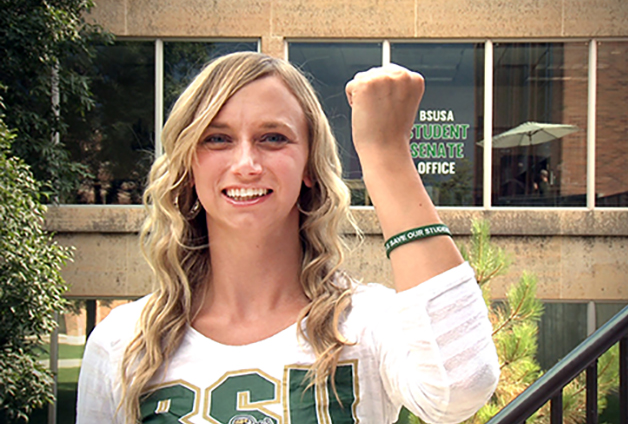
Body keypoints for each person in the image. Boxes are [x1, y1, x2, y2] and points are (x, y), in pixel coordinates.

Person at [77, 52, 499, 424]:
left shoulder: (367, 323)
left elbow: (461, 390)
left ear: (309, 166)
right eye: (217, 139)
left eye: (273, 138)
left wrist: (385, 150)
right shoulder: (125, 341)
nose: (246, 164)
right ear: (189, 165)